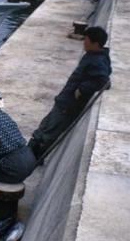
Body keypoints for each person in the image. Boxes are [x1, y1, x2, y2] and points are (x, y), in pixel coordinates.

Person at [28, 26, 112, 160]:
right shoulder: (95, 55)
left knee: (49, 132)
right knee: (44, 126)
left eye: (87, 40)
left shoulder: (97, 61)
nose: (84, 42)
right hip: (63, 100)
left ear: (96, 44)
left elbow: (104, 81)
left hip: (67, 106)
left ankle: (32, 159)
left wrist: (83, 89)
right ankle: (28, 153)